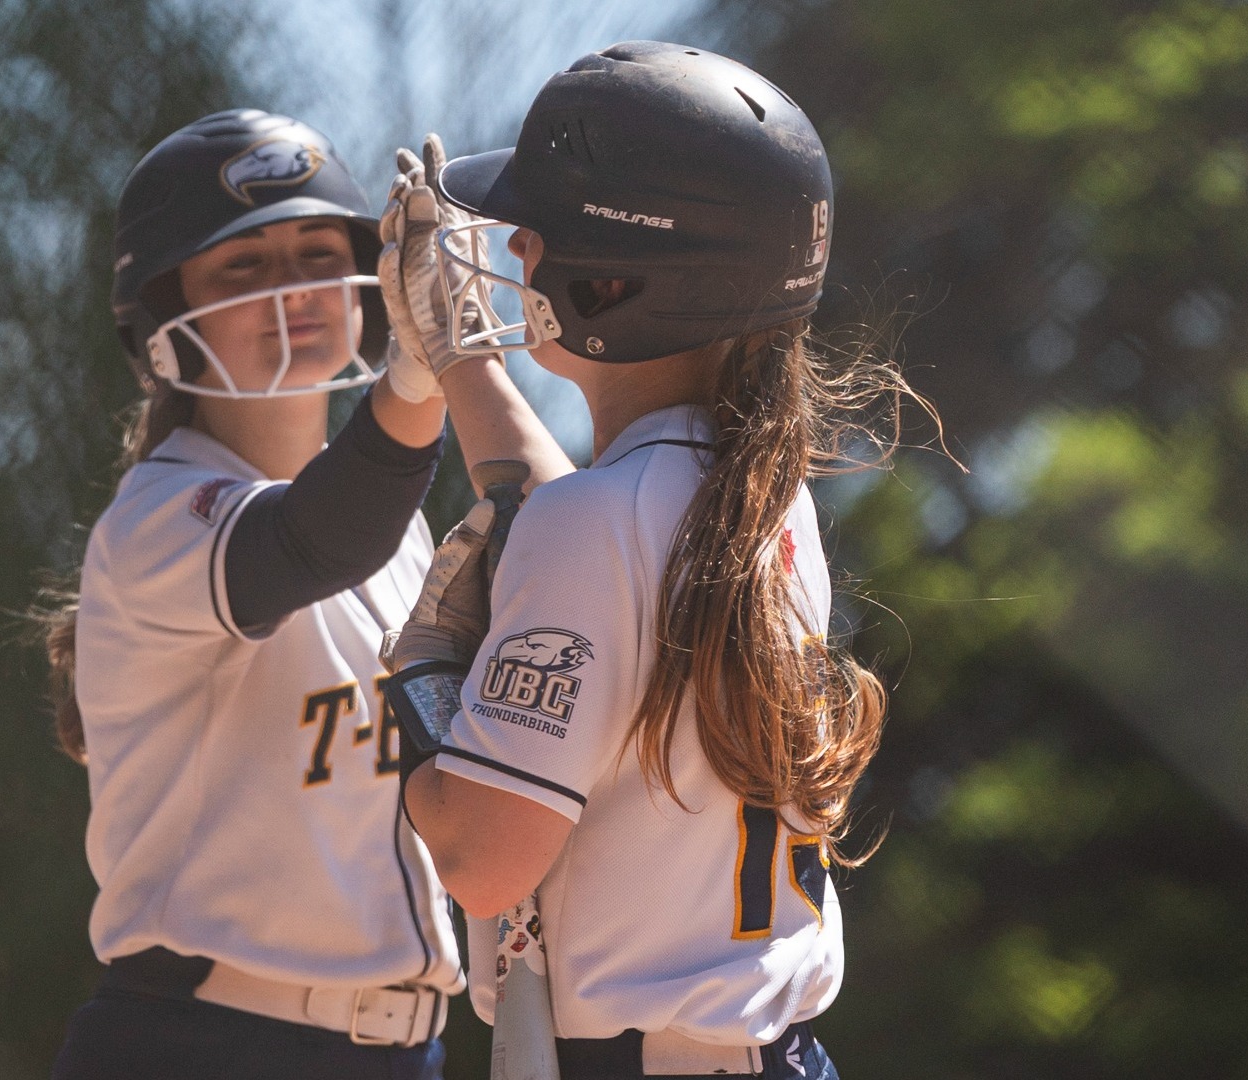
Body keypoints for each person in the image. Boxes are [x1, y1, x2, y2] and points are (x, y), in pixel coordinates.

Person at [378, 42, 910, 1080]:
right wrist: (459, 365)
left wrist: (425, 680)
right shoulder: (762, 492)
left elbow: (481, 863)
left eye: (540, 239)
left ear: (618, 282)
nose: (518, 254)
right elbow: (585, 525)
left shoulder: (602, 520)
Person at [42, 107, 569, 1080]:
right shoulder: (156, 517)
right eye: (242, 265)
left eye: (318, 253)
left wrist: (464, 361)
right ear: (164, 317)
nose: (292, 287)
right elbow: (312, 537)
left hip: (403, 1051)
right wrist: (419, 383)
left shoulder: (404, 535)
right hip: (204, 1044)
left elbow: (574, 558)